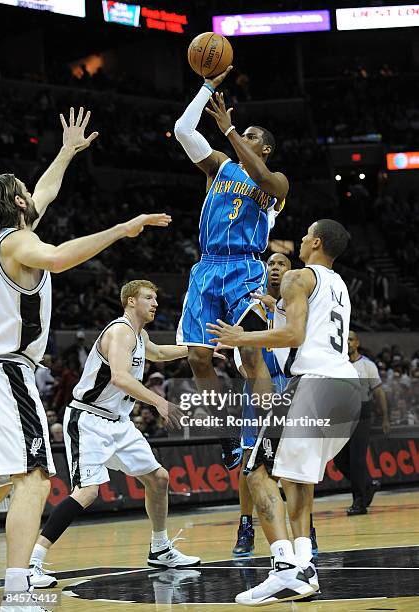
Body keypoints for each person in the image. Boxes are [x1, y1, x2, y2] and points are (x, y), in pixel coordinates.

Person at [0, 106, 171, 612]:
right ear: (15, 200)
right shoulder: (20, 244)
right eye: (26, 191)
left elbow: (45, 193)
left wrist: (67, 151)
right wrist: (122, 228)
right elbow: (56, 256)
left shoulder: (11, 236)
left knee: (7, 480)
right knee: (33, 477)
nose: (36, 193)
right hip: (9, 369)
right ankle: (16, 587)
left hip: (4, 366)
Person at [208, 219, 361, 605]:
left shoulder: (297, 277)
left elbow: (293, 335)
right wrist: (276, 306)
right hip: (346, 389)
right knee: (297, 480)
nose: (302, 238)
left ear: (316, 242)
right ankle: (304, 566)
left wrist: (242, 337)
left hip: (315, 384)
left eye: (307, 233)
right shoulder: (338, 285)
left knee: (255, 469)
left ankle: (283, 569)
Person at [29, 280, 200, 589]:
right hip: (89, 420)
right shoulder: (119, 331)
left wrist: (200, 349)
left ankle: (160, 549)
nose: (155, 303)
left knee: (158, 478)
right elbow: (120, 377)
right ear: (130, 302)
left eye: (156, 297)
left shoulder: (139, 334)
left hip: (119, 422)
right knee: (88, 491)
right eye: (149, 297)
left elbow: (159, 353)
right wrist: (159, 401)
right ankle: (33, 562)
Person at [174, 67, 289, 470]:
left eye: (254, 136)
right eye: (246, 134)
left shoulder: (275, 181)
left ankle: (270, 434)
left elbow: (259, 174)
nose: (246, 138)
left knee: (251, 356)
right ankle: (225, 436)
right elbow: (183, 130)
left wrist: (230, 132)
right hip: (206, 268)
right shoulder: (219, 167)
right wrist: (206, 88)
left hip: (245, 268)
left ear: (267, 149)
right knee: (198, 359)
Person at [232, 254, 318, 561]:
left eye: (281, 263)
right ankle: (245, 526)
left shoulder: (296, 305)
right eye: (271, 263)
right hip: (258, 385)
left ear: (291, 272)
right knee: (249, 458)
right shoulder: (251, 304)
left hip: (292, 384)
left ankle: (305, 529)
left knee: (296, 461)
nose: (275, 268)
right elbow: (240, 351)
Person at [334, 330, 390, 515]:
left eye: (351, 339)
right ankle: (368, 484)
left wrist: (385, 418)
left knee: (357, 460)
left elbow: (379, 392)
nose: (348, 343)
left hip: (361, 413)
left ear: (357, 343)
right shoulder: (338, 365)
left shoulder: (367, 365)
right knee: (339, 460)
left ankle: (359, 502)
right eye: (345, 340)